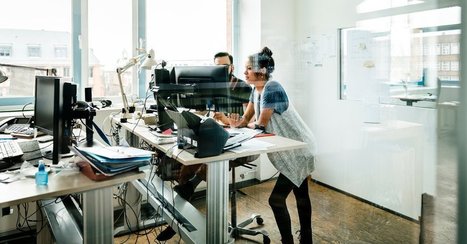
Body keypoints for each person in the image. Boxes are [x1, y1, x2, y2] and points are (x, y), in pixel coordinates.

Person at [156, 51, 255, 241]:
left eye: (225, 67)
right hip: (212, 138)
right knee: (186, 166)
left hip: (237, 142)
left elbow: (250, 123)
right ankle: (178, 219)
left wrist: (229, 121)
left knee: (206, 165)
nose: (221, 70)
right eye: (217, 67)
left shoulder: (242, 87)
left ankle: (188, 201)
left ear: (232, 68)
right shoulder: (210, 84)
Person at [229, 47, 316, 244]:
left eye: (248, 68)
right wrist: (231, 121)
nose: (244, 73)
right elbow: (246, 121)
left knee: (276, 200)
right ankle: (307, 239)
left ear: (261, 71)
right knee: (301, 194)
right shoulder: (256, 91)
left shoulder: (272, 88)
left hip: (299, 149)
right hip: (292, 148)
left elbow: (260, 125)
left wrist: (246, 123)